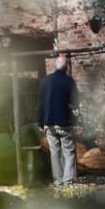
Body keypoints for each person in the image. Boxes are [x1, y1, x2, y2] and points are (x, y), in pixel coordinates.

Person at [38, 53, 79, 186]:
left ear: (55, 67)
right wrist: (78, 122)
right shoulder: (69, 82)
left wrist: (40, 122)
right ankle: (67, 181)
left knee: (54, 153)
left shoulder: (45, 81)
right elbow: (76, 104)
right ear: (66, 67)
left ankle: (58, 181)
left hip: (49, 122)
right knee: (69, 152)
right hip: (64, 123)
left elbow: (40, 104)